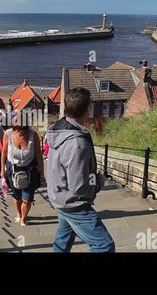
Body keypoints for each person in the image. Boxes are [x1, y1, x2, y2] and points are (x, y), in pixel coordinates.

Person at [47, 87, 115, 253]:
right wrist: (98, 182)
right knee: (104, 245)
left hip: (60, 195)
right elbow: (79, 187)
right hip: (73, 203)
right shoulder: (77, 143)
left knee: (62, 244)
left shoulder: (59, 129)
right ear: (87, 110)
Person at [1, 125, 44, 226]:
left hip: (30, 169)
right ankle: (19, 213)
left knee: (27, 197)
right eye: (17, 130)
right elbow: (4, 152)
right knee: (17, 196)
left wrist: (42, 173)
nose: (20, 133)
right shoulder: (8, 134)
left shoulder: (33, 135)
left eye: (23, 131)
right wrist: (2, 169)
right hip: (13, 169)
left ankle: (23, 218)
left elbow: (38, 154)